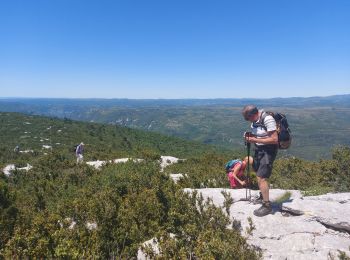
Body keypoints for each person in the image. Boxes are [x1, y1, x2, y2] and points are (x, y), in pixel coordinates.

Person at [242, 105, 278, 217]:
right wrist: (250, 136)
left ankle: (267, 206)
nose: (248, 120)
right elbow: (259, 134)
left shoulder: (267, 119)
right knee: (257, 171)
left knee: (261, 177)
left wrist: (254, 139)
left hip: (268, 151)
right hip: (259, 149)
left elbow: (274, 139)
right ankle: (263, 196)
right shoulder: (255, 121)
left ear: (254, 114)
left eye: (248, 118)